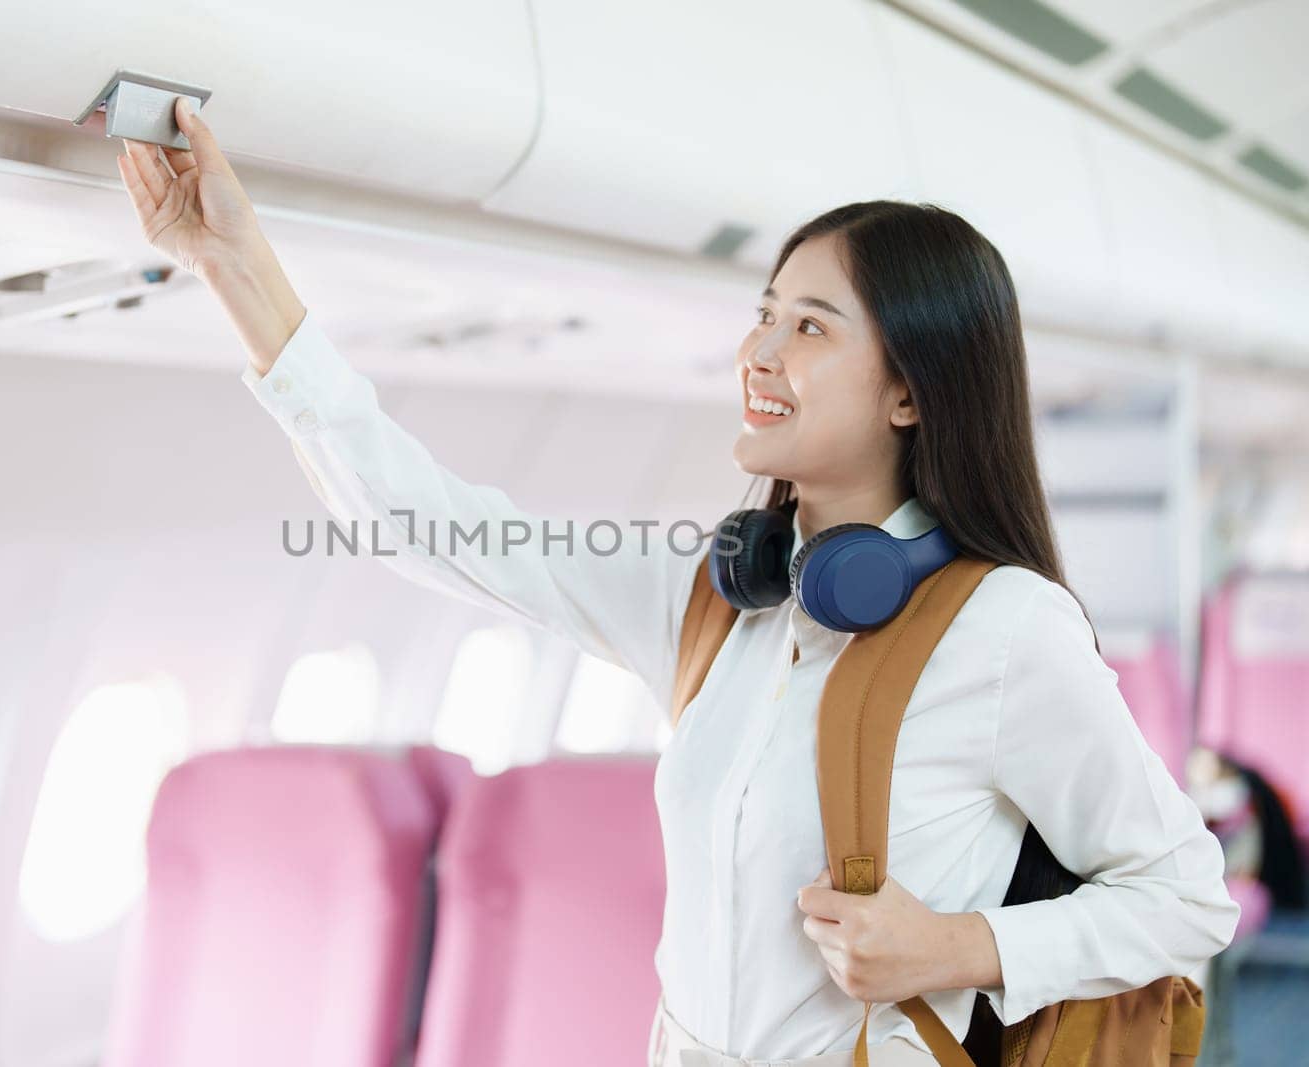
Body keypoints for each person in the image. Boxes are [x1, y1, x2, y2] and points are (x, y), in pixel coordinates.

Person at [116, 97, 1242, 1066]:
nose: (758, 350)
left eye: (808, 325)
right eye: (763, 313)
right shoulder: (719, 600)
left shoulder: (1003, 628)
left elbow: (1187, 896)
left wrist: (963, 947)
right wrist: (235, 267)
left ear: (910, 393)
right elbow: (434, 527)